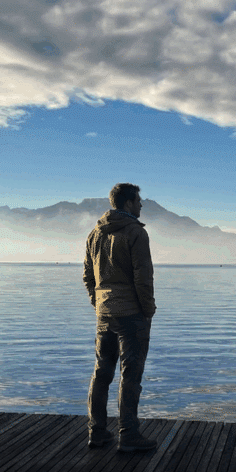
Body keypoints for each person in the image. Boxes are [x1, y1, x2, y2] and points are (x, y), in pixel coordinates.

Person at [83, 183, 158, 452]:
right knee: (131, 375)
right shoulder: (136, 233)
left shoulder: (95, 233)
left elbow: (88, 277)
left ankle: (97, 432)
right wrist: (148, 310)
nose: (141, 205)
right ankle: (128, 435)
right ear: (127, 203)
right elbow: (143, 277)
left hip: (105, 315)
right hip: (131, 314)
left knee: (101, 372)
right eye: (138, 200)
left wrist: (99, 304)